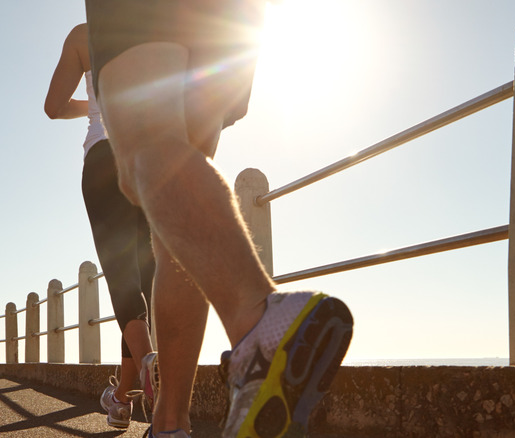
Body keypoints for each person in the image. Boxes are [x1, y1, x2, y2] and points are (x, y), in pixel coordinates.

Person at [82, 1, 354, 437]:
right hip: (231, 19)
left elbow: (53, 106)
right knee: (175, 227)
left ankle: (259, 322)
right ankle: (170, 424)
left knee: (144, 153)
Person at [44, 23, 159, 429]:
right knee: (143, 280)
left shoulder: (84, 34)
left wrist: (93, 107)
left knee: (122, 276)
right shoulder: (155, 24)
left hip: (103, 153)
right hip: (149, 155)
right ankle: (123, 400)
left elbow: (53, 106)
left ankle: (150, 372)